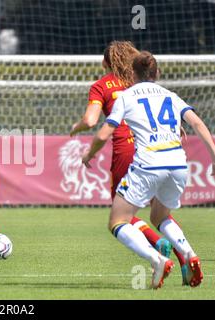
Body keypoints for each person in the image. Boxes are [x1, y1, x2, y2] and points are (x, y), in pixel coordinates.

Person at [82, 51, 215, 289]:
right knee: (159, 216)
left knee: (118, 221)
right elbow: (196, 122)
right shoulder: (170, 95)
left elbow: (104, 133)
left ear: (133, 74)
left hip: (148, 163)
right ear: (157, 73)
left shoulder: (126, 95)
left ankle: (157, 259)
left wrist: (89, 154)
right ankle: (189, 253)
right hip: (177, 164)